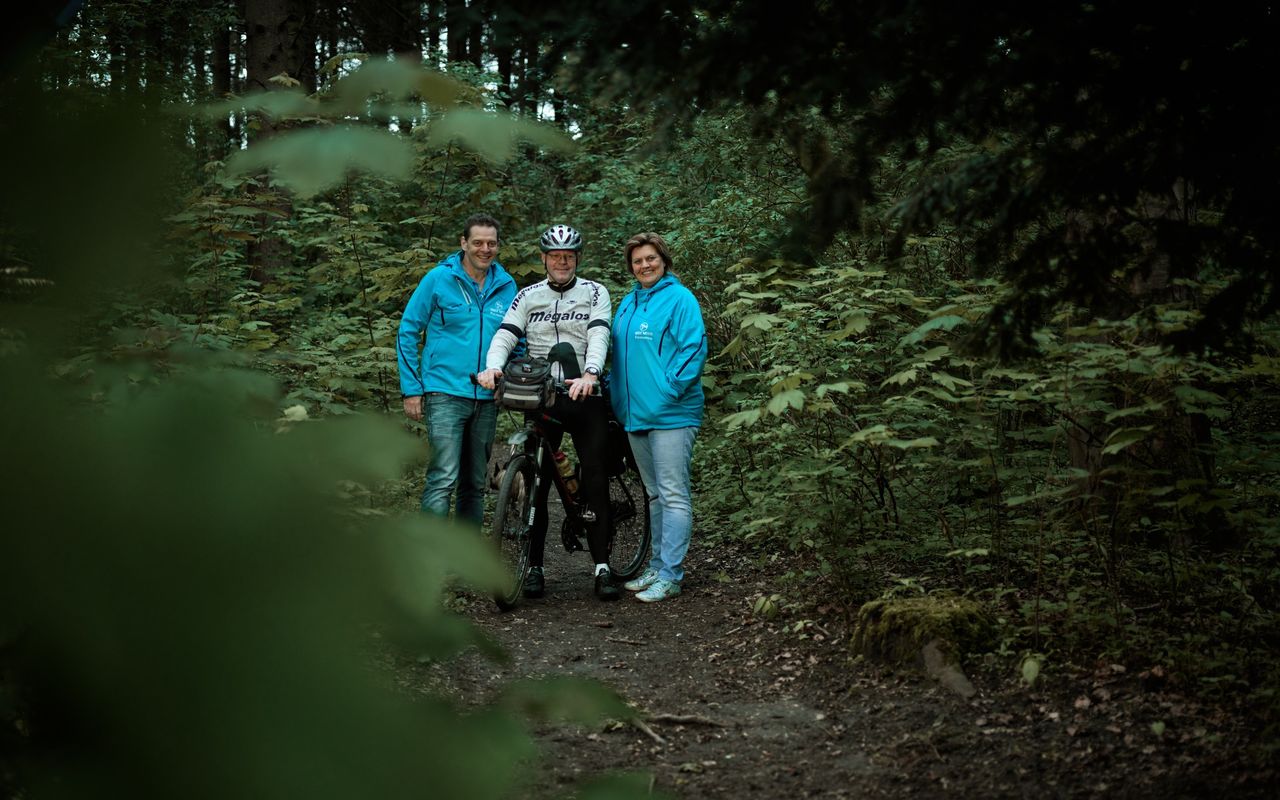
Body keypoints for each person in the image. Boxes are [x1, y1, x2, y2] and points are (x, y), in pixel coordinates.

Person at [476, 224, 621, 601]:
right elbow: (506, 334)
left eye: (568, 256)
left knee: (594, 476)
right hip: (541, 397)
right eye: (555, 256)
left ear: (577, 259)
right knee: (537, 483)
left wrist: (591, 373)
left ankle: (602, 567)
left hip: (583, 395)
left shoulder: (594, 292)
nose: (561, 261)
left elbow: (600, 333)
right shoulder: (528, 296)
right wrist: (493, 366)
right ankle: (535, 565)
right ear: (543, 259)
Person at [397, 213, 517, 526]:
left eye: (491, 243)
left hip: (487, 396)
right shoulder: (439, 279)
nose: (485, 249)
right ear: (464, 243)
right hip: (444, 392)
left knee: (474, 484)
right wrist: (412, 389)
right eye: (478, 242)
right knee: (442, 479)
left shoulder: (506, 285)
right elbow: (409, 329)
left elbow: (515, 338)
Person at [609, 232, 707, 603]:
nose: (644, 265)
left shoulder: (680, 299)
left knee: (673, 494)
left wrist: (667, 391)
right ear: (631, 267)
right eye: (637, 261)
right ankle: (657, 565)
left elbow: (693, 348)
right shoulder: (630, 302)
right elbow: (621, 357)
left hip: (672, 414)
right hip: (635, 417)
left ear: (663, 260)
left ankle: (672, 574)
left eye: (650, 258)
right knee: (653, 495)